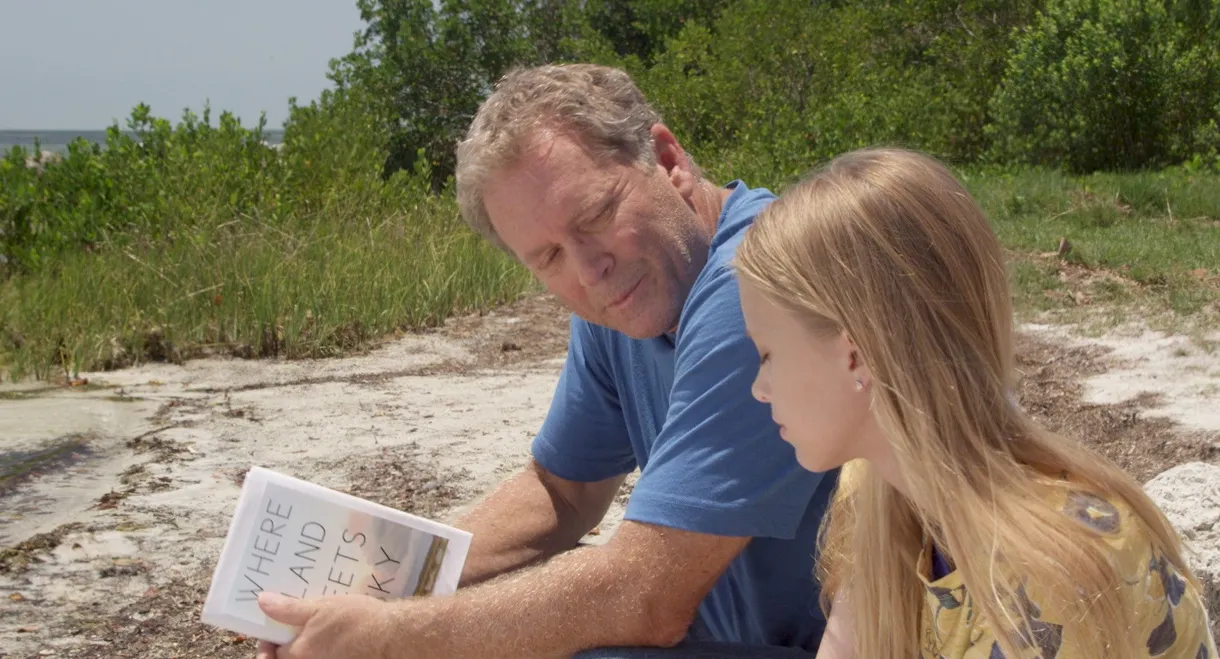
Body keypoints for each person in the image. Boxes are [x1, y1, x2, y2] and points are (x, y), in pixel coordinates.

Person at [251, 63, 838, 659]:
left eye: (596, 216)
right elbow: (562, 491)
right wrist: (378, 584)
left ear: (667, 161)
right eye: (549, 256)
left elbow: (646, 596)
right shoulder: (623, 299)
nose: (588, 271)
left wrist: (384, 639)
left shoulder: (759, 282)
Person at [732, 146, 1218, 659]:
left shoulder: (1047, 582)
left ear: (856, 356)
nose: (759, 388)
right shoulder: (876, 489)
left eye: (766, 354)